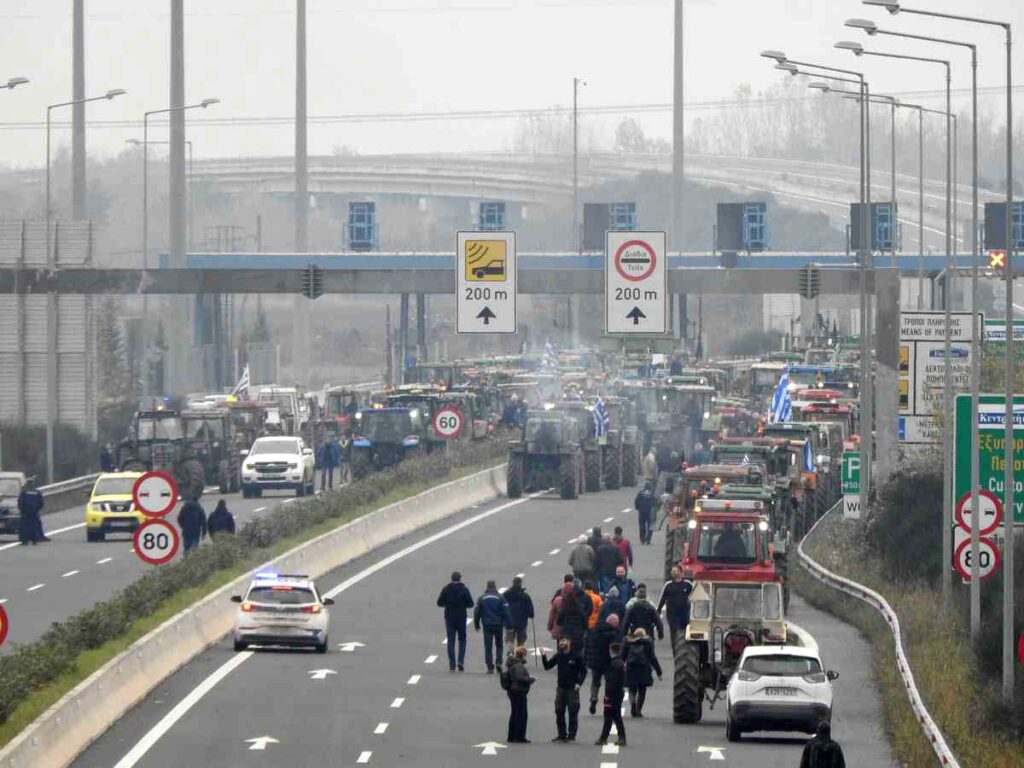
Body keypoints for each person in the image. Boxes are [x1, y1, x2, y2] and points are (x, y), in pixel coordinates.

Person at [541, 637, 587, 743]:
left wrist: (579, 683)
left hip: (572, 688)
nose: (562, 642)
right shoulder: (559, 655)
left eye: (565, 640)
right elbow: (547, 666)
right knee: (559, 711)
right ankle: (561, 734)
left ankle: (571, 735)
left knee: (573, 711)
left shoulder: (576, 656)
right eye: (561, 641)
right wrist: (543, 655)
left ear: (570, 642)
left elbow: (583, 671)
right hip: (561, 688)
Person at [436, 571, 474, 672]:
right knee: (462, 639)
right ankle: (460, 661)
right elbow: (471, 604)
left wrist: (447, 604)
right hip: (461, 617)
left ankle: (452, 664)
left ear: (451, 578)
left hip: (449, 617)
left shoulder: (446, 589)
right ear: (460, 578)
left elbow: (439, 602)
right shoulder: (464, 590)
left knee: (451, 640)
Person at [585, 613, 621, 715]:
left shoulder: (595, 630)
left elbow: (588, 644)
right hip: (608, 662)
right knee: (609, 683)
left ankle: (593, 698)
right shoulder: (614, 635)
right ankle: (607, 702)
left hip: (595, 661)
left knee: (595, 682)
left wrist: (587, 658)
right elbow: (615, 649)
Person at [622, 628, 661, 717]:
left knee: (632, 689)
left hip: (631, 669)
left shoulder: (628, 642)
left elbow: (622, 656)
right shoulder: (647, 643)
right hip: (644, 670)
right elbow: (652, 658)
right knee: (642, 691)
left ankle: (633, 704)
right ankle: (638, 709)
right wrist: (659, 672)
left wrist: (619, 669)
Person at [594, 641, 627, 747]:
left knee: (610, 716)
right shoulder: (620, 663)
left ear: (611, 651)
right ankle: (613, 737)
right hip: (618, 692)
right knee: (615, 716)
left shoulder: (613, 664)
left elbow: (611, 681)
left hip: (612, 694)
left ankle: (607, 738)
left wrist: (608, 694)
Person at [474, 580, 509, 673]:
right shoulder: (501, 598)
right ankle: (498, 663)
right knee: (499, 645)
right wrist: (507, 624)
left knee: (488, 646)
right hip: (498, 625)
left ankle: (490, 666)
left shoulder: (482, 598)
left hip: (487, 625)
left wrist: (476, 624)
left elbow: (477, 612)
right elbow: (506, 611)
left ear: (487, 586)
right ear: (495, 586)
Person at [502, 646, 535, 744]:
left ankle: (511, 736)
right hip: (519, 691)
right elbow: (520, 678)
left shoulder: (511, 663)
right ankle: (519, 736)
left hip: (512, 691)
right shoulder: (519, 665)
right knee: (521, 715)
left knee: (514, 713)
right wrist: (530, 680)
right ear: (522, 655)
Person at [658, 566, 695, 648]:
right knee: (674, 630)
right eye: (672, 571)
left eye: (675, 571)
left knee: (684, 630)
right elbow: (663, 598)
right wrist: (659, 610)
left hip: (684, 613)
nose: (673, 573)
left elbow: (695, 596)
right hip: (672, 613)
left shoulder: (688, 584)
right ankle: (675, 648)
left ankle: (684, 648)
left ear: (681, 573)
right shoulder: (668, 585)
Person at [503, 575, 534, 658]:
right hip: (521, 622)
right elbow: (530, 609)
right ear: (520, 584)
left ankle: (511, 651)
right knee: (521, 640)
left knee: (509, 639)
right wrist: (531, 615)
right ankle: (519, 655)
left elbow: (502, 606)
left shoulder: (506, 594)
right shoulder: (525, 596)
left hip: (509, 621)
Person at [555, 587, 589, 657]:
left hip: (567, 635)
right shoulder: (580, 609)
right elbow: (585, 621)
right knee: (579, 653)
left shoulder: (564, 609)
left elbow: (558, 621)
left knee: (565, 652)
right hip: (578, 635)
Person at [17, 478, 46, 545]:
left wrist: (21, 510)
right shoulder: (37, 492)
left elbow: (20, 502)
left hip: (25, 512)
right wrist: (37, 509)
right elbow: (41, 502)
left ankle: (24, 540)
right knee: (34, 526)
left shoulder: (24, 491)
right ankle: (34, 540)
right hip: (34, 512)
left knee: (24, 526)